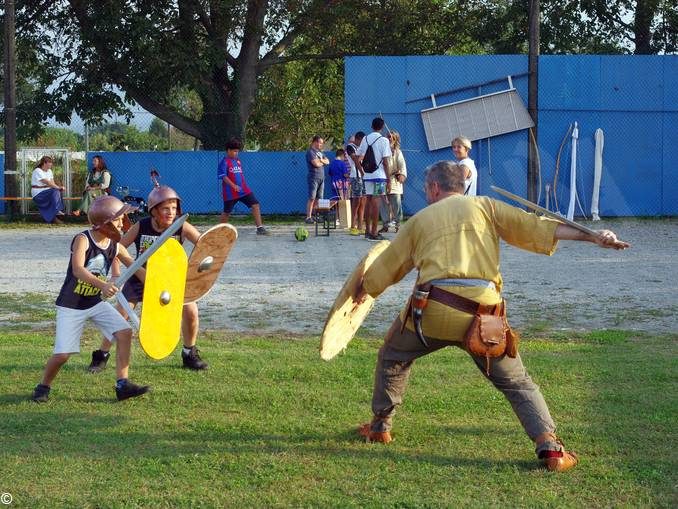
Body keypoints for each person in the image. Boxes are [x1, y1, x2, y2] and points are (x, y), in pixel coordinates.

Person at [353, 161, 629, 472]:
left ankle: (380, 426)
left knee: (393, 355)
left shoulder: (419, 221)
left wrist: (365, 289)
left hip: (430, 313)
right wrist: (593, 237)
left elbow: (389, 265)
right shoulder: (486, 206)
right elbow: (536, 225)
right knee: (517, 382)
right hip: (484, 318)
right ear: (463, 185)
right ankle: (550, 448)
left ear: (433, 188)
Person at [31, 195, 150, 403]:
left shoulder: (115, 245)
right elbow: (78, 269)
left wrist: (156, 283)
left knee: (124, 331)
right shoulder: (83, 239)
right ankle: (43, 387)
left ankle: (122, 384)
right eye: (119, 219)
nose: (123, 223)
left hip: (94, 303)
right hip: (71, 306)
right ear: (105, 222)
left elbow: (133, 266)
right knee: (63, 354)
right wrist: (103, 285)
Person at [88, 185, 209, 372]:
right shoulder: (141, 226)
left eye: (174, 208)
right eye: (166, 208)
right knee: (120, 314)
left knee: (191, 311)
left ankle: (189, 353)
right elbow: (116, 249)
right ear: (154, 210)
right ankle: (101, 356)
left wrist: (196, 268)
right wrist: (116, 274)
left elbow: (205, 246)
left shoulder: (181, 226)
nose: (171, 213)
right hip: (139, 278)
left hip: (170, 280)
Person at [217, 137, 269, 235]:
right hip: (230, 192)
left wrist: (242, 186)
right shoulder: (224, 162)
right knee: (227, 212)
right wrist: (233, 186)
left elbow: (239, 175)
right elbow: (223, 176)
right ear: (228, 150)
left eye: (237, 151)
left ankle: (260, 228)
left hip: (243, 190)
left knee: (255, 204)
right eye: (234, 151)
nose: (237, 153)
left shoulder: (237, 161)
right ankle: (219, 231)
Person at [357, 118, 391, 241]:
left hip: (367, 175)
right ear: (382, 127)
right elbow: (386, 162)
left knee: (368, 200)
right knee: (376, 202)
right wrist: (389, 179)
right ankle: (374, 232)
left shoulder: (365, 139)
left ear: (371, 126)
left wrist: (361, 171)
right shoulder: (384, 140)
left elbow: (358, 156)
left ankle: (367, 230)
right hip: (379, 175)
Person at [378, 131, 407, 233]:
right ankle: (385, 224)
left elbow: (402, 166)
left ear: (395, 140)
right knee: (382, 203)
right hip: (380, 179)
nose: (389, 139)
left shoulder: (398, 152)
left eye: (391, 137)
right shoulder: (380, 150)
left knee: (396, 202)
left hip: (393, 180)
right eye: (388, 137)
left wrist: (401, 175)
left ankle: (398, 225)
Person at [31, 156, 66, 224]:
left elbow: (52, 182)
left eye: (51, 163)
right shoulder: (37, 170)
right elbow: (46, 182)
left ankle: (55, 216)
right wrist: (58, 187)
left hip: (46, 192)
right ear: (44, 163)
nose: (51, 164)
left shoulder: (49, 171)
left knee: (57, 191)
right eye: (49, 163)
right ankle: (57, 210)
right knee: (55, 190)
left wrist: (59, 188)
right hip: (38, 194)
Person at [305, 135, 330, 224]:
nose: (321, 145)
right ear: (315, 142)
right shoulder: (310, 152)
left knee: (319, 199)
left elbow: (328, 161)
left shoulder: (320, 152)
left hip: (322, 178)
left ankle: (316, 216)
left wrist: (321, 160)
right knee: (312, 198)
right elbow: (316, 164)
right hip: (314, 177)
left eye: (322, 143)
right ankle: (308, 217)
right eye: (320, 143)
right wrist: (321, 161)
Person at [347, 131, 366, 236]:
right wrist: (363, 154)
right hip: (356, 176)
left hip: (364, 176)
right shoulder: (350, 147)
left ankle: (360, 226)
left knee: (363, 200)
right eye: (362, 141)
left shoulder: (363, 148)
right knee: (356, 201)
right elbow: (356, 159)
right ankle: (352, 226)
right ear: (358, 139)